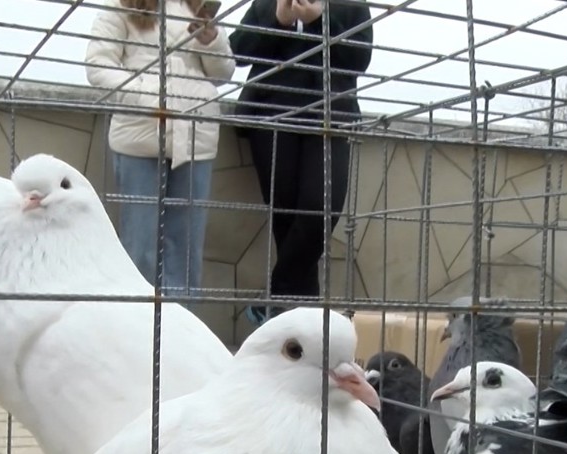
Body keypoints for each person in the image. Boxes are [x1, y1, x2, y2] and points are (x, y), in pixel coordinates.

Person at [229, 0, 374, 325]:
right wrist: (278, 19)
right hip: (270, 115)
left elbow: (359, 60)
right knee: (286, 219)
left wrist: (320, 21)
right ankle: (299, 329)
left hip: (330, 117)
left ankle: (276, 301)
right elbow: (237, 51)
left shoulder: (350, 5)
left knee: (319, 212)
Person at [85, 0, 236, 295]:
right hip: (140, 137)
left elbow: (224, 72)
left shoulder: (200, 5)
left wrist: (212, 42)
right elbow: (98, 65)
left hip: (195, 140)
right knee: (139, 249)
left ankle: (178, 337)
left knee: (187, 253)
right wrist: (151, 98)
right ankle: (138, 333)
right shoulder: (119, 6)